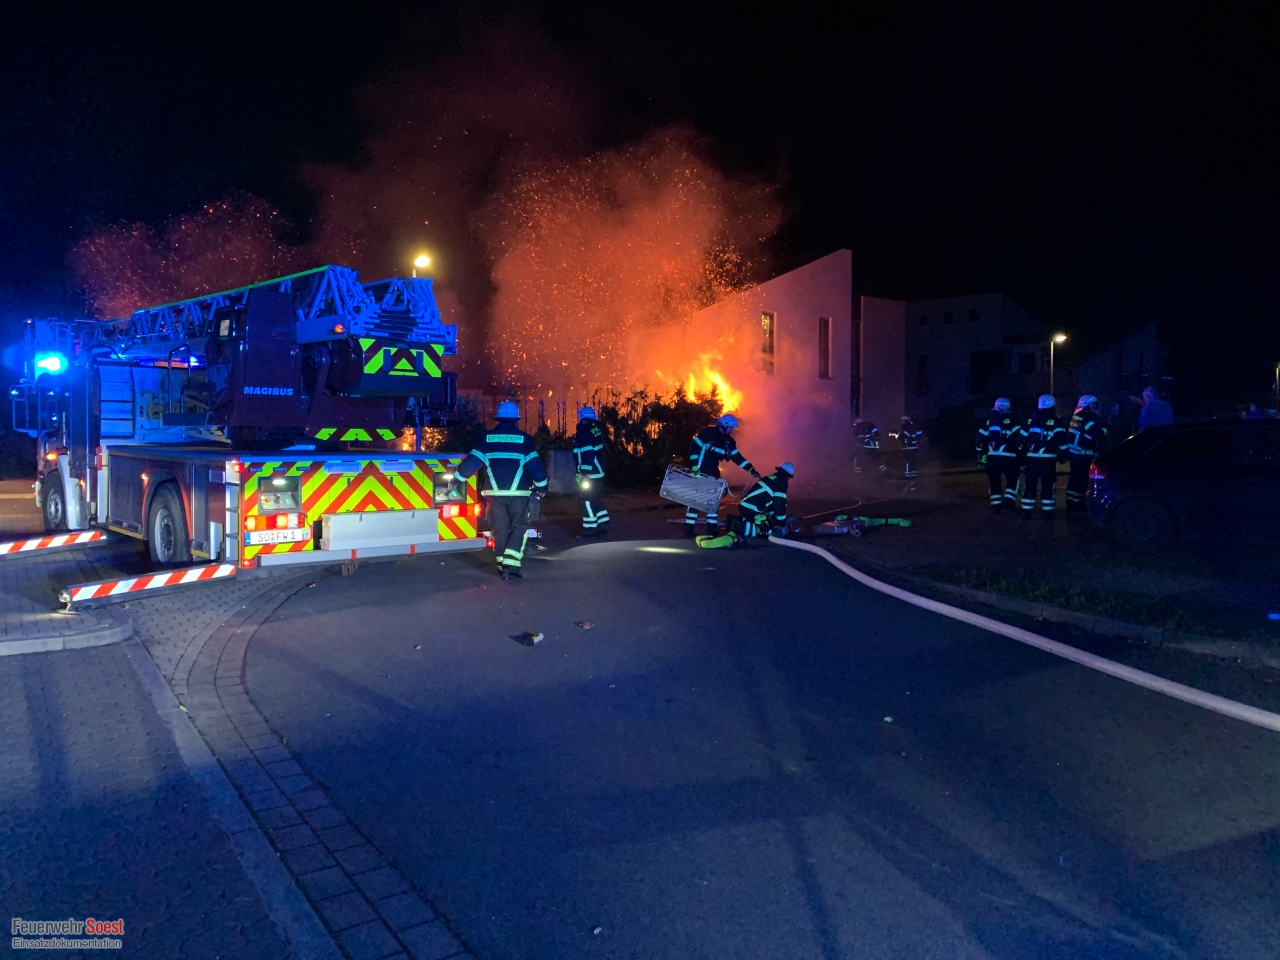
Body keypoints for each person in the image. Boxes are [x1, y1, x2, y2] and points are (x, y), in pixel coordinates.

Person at [456, 401, 548, 580]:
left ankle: (501, 566)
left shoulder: (487, 438)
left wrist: (457, 479)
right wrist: (542, 486)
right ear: (516, 420)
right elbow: (535, 466)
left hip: (494, 495)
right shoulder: (524, 439)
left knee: (499, 529)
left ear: (498, 419)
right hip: (519, 495)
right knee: (520, 526)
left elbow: (472, 463)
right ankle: (510, 566)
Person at [685, 413, 760, 535]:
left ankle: (711, 528)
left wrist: (751, 469)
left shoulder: (729, 442)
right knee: (696, 501)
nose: (732, 430)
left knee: (713, 502)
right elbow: (694, 448)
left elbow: (737, 458)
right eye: (731, 427)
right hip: (699, 472)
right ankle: (689, 528)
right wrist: (694, 465)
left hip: (713, 473)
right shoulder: (707, 433)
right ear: (724, 426)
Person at [1021, 394, 1066, 517]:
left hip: (1031, 460)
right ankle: (1048, 513)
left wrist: (1023, 453)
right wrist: (1063, 455)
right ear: (1052, 406)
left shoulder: (1031, 420)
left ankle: (1026, 512)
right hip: (1048, 460)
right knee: (1047, 486)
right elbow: (1062, 441)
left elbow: (1020, 439)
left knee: (1030, 485)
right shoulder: (1056, 422)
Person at [976, 398, 1022, 513]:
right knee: (1013, 480)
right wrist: (1021, 456)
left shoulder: (988, 422)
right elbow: (1020, 441)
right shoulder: (1015, 422)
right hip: (1010, 458)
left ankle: (996, 506)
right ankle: (1009, 501)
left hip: (992, 458)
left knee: (994, 482)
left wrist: (981, 459)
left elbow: (979, 442)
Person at [1065, 395, 1108, 511]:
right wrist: (1105, 428)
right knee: (1082, 479)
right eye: (1093, 404)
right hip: (1083, 454)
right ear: (1086, 405)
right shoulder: (1089, 419)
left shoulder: (1077, 417)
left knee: (1074, 477)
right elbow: (1096, 435)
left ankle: (1070, 500)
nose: (1095, 406)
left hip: (1074, 453)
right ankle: (1078, 503)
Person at [572, 406, 610, 538]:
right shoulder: (594, 431)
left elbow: (587, 453)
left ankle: (590, 529)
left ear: (582, 418)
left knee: (585, 500)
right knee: (594, 499)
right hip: (596, 473)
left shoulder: (585, 433)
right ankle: (602, 524)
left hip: (589, 474)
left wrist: (584, 474)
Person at [735, 462, 794, 538]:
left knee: (765, 524)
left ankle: (744, 524)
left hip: (746, 506)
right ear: (788, 476)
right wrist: (782, 523)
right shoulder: (781, 483)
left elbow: (770, 504)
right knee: (768, 531)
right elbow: (779, 505)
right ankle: (741, 530)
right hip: (751, 508)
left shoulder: (771, 478)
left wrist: (774, 518)